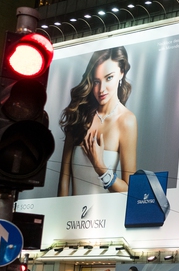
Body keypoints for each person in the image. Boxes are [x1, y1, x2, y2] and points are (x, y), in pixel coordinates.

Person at [58, 46, 137, 196]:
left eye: (109, 78)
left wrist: (101, 167)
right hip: (71, 216)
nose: (101, 89)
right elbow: (63, 181)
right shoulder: (79, 115)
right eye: (96, 81)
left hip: (106, 217)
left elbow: (129, 190)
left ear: (121, 73)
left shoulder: (126, 121)